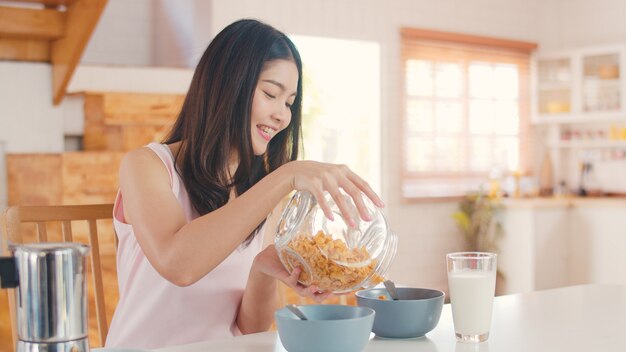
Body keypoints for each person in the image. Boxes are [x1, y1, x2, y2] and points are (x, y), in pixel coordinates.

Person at [105, 18, 383, 349]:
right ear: (227, 84)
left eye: (289, 102)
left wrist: (262, 269)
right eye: (271, 93)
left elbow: (250, 328)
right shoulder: (146, 166)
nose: (283, 115)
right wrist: (286, 175)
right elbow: (178, 264)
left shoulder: (259, 189)